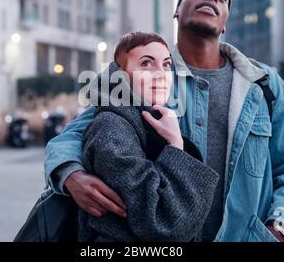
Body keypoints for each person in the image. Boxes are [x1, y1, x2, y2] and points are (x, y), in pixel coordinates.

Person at [44, 0, 284, 242]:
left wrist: (280, 231)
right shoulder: (144, 78)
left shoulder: (265, 85)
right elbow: (76, 134)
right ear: (177, 10)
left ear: (225, 20)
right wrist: (70, 174)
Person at [77, 32, 219, 242]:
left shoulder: (146, 121)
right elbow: (161, 221)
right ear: (121, 76)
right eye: (146, 64)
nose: (161, 74)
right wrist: (176, 145)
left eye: (166, 64)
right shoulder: (111, 128)